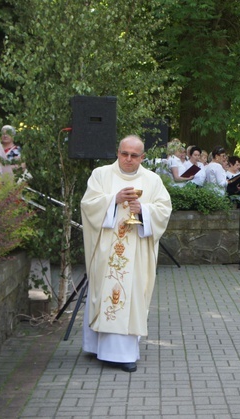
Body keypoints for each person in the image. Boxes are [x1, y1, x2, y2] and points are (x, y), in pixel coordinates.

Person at [80, 135, 172, 373]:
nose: (128, 159)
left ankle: (123, 354)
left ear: (142, 157)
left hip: (137, 252)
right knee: (104, 293)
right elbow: (88, 205)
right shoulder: (101, 175)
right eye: (124, 154)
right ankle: (96, 347)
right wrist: (114, 200)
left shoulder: (152, 180)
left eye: (134, 155)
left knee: (130, 297)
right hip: (107, 249)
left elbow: (164, 210)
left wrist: (143, 210)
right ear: (117, 152)